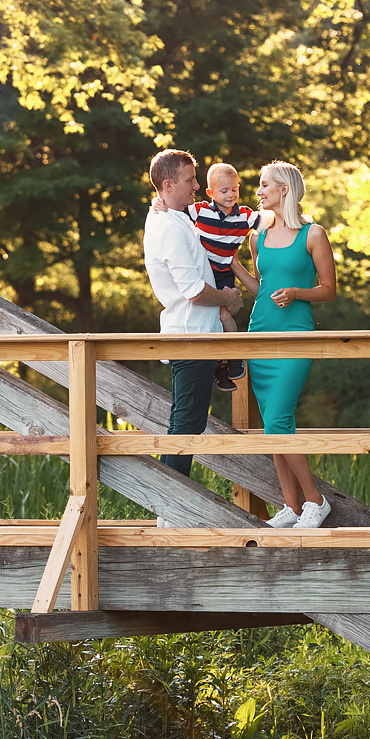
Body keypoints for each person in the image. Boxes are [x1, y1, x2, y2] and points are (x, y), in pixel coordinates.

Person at [142, 149, 249, 494]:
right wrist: (228, 299)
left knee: (189, 419)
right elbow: (192, 291)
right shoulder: (169, 227)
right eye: (190, 180)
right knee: (187, 421)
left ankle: (170, 504)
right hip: (191, 336)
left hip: (200, 333)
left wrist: (155, 202)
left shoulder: (175, 217)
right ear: (169, 184)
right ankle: (169, 506)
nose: (196, 186)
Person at [244, 160, 337, 527]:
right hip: (259, 335)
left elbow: (328, 290)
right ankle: (292, 507)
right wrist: (233, 267)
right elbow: (260, 289)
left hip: (296, 335)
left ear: (285, 188)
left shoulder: (312, 234)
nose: (259, 190)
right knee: (274, 424)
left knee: (278, 419)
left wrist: (298, 292)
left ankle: (316, 500)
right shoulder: (256, 237)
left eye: (265, 184)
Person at [190, 163, 255, 391]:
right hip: (203, 276)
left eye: (234, 189)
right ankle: (220, 368)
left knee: (225, 314)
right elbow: (173, 210)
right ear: (211, 193)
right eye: (224, 191)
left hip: (224, 274)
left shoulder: (245, 215)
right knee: (209, 320)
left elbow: (271, 221)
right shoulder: (200, 210)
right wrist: (157, 204)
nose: (230, 195)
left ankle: (235, 357)